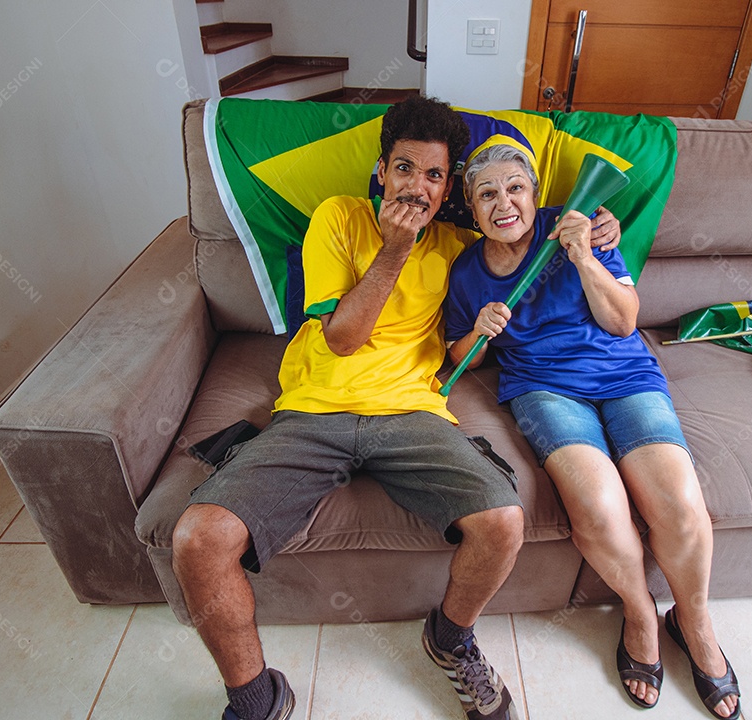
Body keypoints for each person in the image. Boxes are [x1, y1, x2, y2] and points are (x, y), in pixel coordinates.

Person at [170, 96, 619, 720]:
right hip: (312, 412)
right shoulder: (338, 217)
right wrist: (395, 249)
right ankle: (254, 698)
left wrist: (599, 226)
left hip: (414, 412)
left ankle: (449, 637)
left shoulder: (462, 246)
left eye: (435, 176)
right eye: (406, 169)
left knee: (503, 522)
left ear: (447, 187)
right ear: (382, 170)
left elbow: (527, 229)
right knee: (197, 538)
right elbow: (343, 338)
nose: (418, 187)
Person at [443, 144, 742, 719]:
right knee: (600, 509)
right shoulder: (466, 273)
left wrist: (584, 258)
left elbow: (624, 319)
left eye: (515, 188)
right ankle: (638, 612)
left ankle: (695, 622)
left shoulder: (579, 226)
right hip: (543, 390)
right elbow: (462, 356)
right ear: (472, 210)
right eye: (487, 195)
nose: (503, 203)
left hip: (627, 377)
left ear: (535, 195)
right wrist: (479, 331)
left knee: (680, 505)